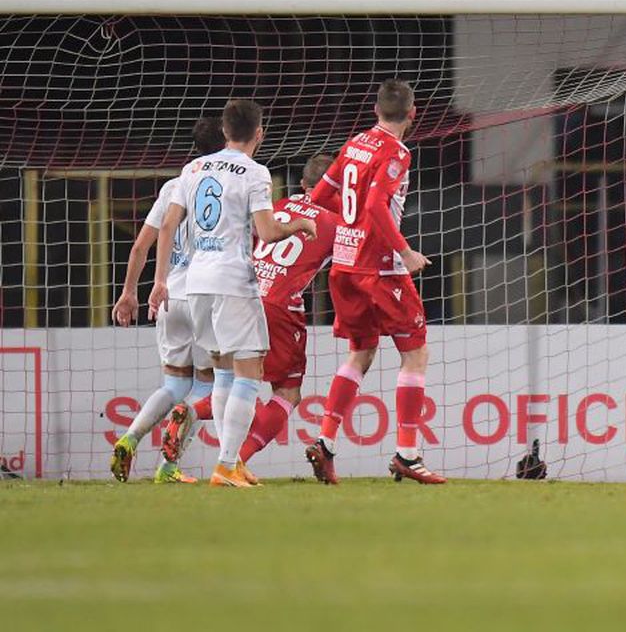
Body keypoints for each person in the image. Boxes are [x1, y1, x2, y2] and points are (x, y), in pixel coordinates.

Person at [148, 99, 316, 488]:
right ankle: (226, 465)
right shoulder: (256, 173)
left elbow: (169, 224)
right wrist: (301, 225)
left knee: (223, 370)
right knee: (249, 372)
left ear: (224, 132)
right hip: (233, 282)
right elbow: (269, 231)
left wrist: (160, 280)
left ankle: (230, 463)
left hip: (195, 284)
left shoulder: (192, 168)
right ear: (259, 133)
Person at [304, 79, 443, 485]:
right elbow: (376, 205)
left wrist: (349, 227)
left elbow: (319, 197)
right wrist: (405, 252)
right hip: (379, 268)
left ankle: (326, 442)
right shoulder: (397, 152)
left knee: (361, 353)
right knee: (415, 354)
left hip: (344, 267)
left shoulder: (354, 144)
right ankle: (408, 454)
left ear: (375, 110)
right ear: (413, 113)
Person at [109, 117, 226, 483]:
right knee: (209, 386)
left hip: (170, 294)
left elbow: (141, 245)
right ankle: (168, 466)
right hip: (207, 296)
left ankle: (129, 438)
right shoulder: (229, 183)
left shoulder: (173, 187)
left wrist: (129, 292)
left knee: (173, 385)